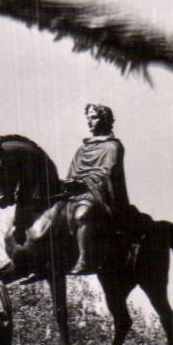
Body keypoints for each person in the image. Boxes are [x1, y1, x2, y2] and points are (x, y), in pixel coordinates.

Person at [60, 103, 129, 274]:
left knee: (82, 214)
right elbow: (73, 173)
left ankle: (85, 260)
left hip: (97, 196)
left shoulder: (112, 147)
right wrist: (67, 183)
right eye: (88, 118)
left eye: (94, 118)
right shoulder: (83, 149)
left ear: (104, 119)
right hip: (75, 195)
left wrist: (83, 184)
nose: (89, 122)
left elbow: (107, 174)